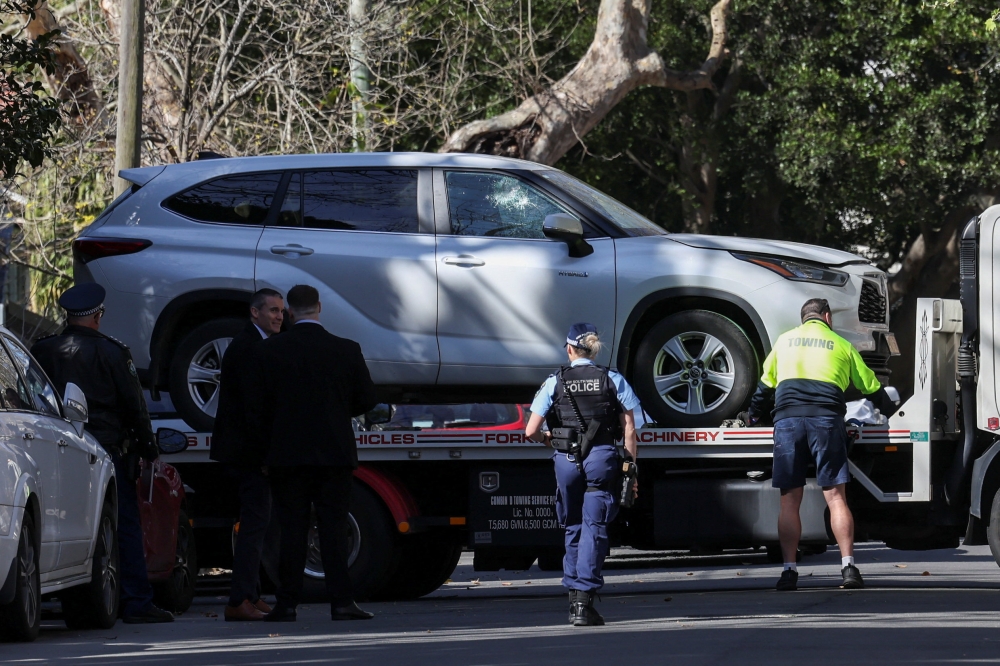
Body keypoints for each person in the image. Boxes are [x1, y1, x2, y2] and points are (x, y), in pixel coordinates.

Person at [31, 283, 174, 624]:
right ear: (98, 316)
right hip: (106, 451)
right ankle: (136, 601)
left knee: (58, 522)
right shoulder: (113, 352)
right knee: (122, 525)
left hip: (54, 449)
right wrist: (149, 450)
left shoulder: (42, 350)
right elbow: (134, 407)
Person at [247, 284, 378, 622]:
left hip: (287, 455)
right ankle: (342, 602)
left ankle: (287, 603)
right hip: (334, 454)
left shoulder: (269, 352)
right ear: (319, 307)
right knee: (334, 528)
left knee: (292, 529)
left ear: (289, 312)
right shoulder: (346, 350)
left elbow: (257, 408)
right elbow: (366, 400)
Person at [746, 298, 896, 592]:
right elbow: (871, 387)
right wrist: (893, 411)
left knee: (790, 500)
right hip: (826, 421)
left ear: (803, 318)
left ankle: (789, 572)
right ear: (827, 317)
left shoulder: (784, 341)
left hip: (788, 421)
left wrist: (752, 417)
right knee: (836, 498)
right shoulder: (840, 343)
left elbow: (765, 388)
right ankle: (848, 568)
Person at [525, 323, 639, 627]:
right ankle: (583, 601)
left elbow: (531, 431)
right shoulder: (612, 378)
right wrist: (630, 468)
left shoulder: (555, 381)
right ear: (592, 348)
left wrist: (551, 440)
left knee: (573, 526)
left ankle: (572, 592)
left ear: (570, 349)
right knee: (594, 527)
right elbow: (629, 428)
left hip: (565, 460)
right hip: (600, 458)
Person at [210, 288, 284, 621]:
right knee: (254, 529)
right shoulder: (251, 348)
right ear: (254, 313)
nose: (279, 316)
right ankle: (239, 599)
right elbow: (254, 410)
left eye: (281, 311)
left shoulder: (252, 345)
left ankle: (252, 594)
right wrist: (264, 457)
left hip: (243, 452)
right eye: (272, 310)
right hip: (249, 455)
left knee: (259, 527)